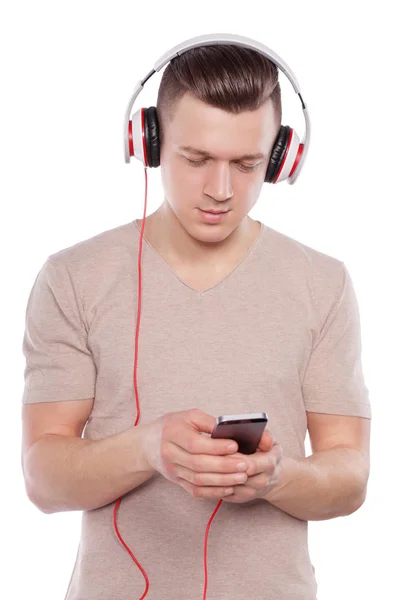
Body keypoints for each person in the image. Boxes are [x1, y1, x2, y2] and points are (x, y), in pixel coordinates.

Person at [20, 40, 371, 600]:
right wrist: (148, 448)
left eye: (247, 164)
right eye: (197, 159)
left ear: (281, 158)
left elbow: (350, 475)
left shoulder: (322, 283)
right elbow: (42, 478)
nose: (221, 190)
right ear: (150, 142)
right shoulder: (73, 278)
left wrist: (278, 478)